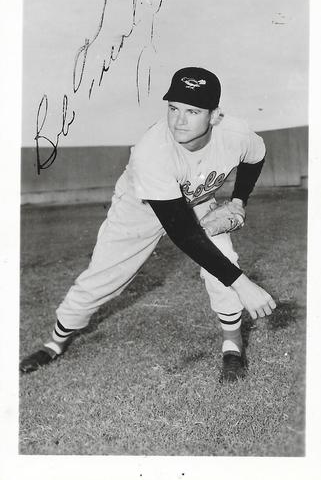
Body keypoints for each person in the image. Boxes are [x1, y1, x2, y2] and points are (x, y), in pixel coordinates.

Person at [20, 67, 276, 382]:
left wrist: (238, 201)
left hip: (196, 201)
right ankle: (55, 343)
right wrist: (243, 284)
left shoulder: (236, 134)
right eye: (173, 108)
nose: (179, 120)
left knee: (223, 261)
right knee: (101, 279)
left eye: (192, 111)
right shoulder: (153, 151)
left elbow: (256, 157)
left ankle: (232, 345)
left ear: (215, 116)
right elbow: (183, 233)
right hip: (138, 208)